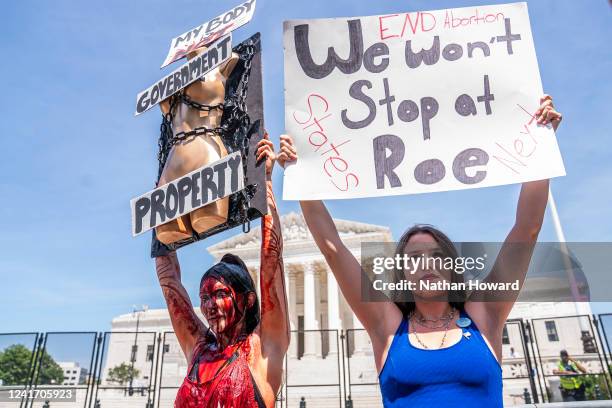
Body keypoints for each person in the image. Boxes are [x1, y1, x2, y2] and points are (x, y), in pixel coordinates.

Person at [277, 96, 562, 407]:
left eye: (437, 255)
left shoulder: (485, 315)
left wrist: (540, 148)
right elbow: (332, 249)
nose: (427, 264)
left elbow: (526, 229)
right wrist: (299, 174)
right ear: (403, 274)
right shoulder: (387, 328)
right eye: (414, 258)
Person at [155, 135, 289, 407]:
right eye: (204, 298)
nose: (208, 305)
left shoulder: (263, 348)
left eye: (219, 294)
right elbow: (169, 282)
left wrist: (265, 184)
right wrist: (161, 211)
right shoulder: (198, 348)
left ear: (248, 299)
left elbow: (271, 261)